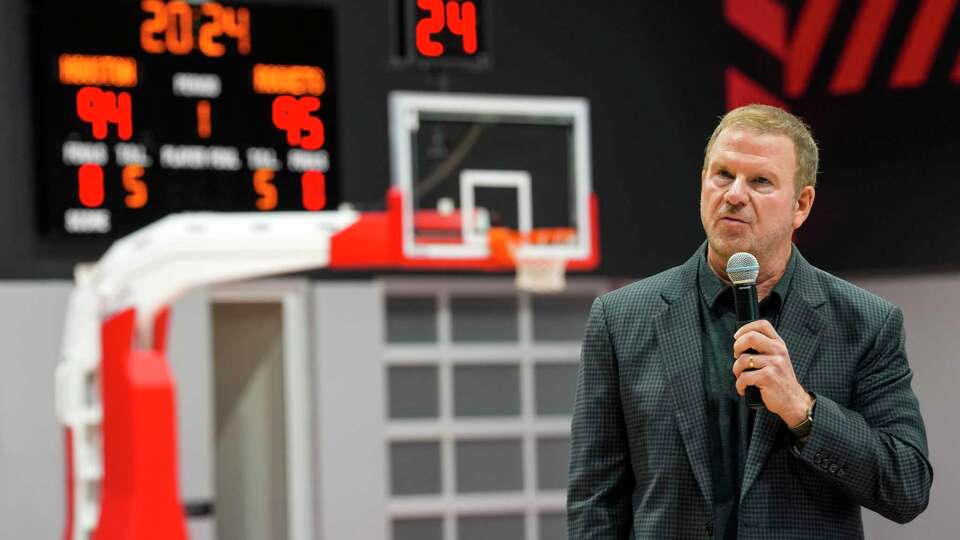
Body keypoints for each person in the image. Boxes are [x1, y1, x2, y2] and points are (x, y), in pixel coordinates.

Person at [566, 104, 933, 539]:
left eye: (759, 181)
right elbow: (595, 501)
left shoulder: (866, 323)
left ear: (801, 204)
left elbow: (907, 486)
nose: (735, 194)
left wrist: (802, 411)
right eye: (722, 174)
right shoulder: (621, 318)